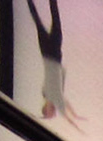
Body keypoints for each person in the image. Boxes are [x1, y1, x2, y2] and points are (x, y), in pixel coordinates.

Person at [26, 0, 87, 130]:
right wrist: (76, 117)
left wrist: (75, 121)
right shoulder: (56, 98)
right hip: (55, 52)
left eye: (51, 114)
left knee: (38, 22)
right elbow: (66, 107)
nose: (54, 113)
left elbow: (62, 109)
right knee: (54, 19)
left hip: (48, 53)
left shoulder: (48, 94)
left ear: (46, 109)